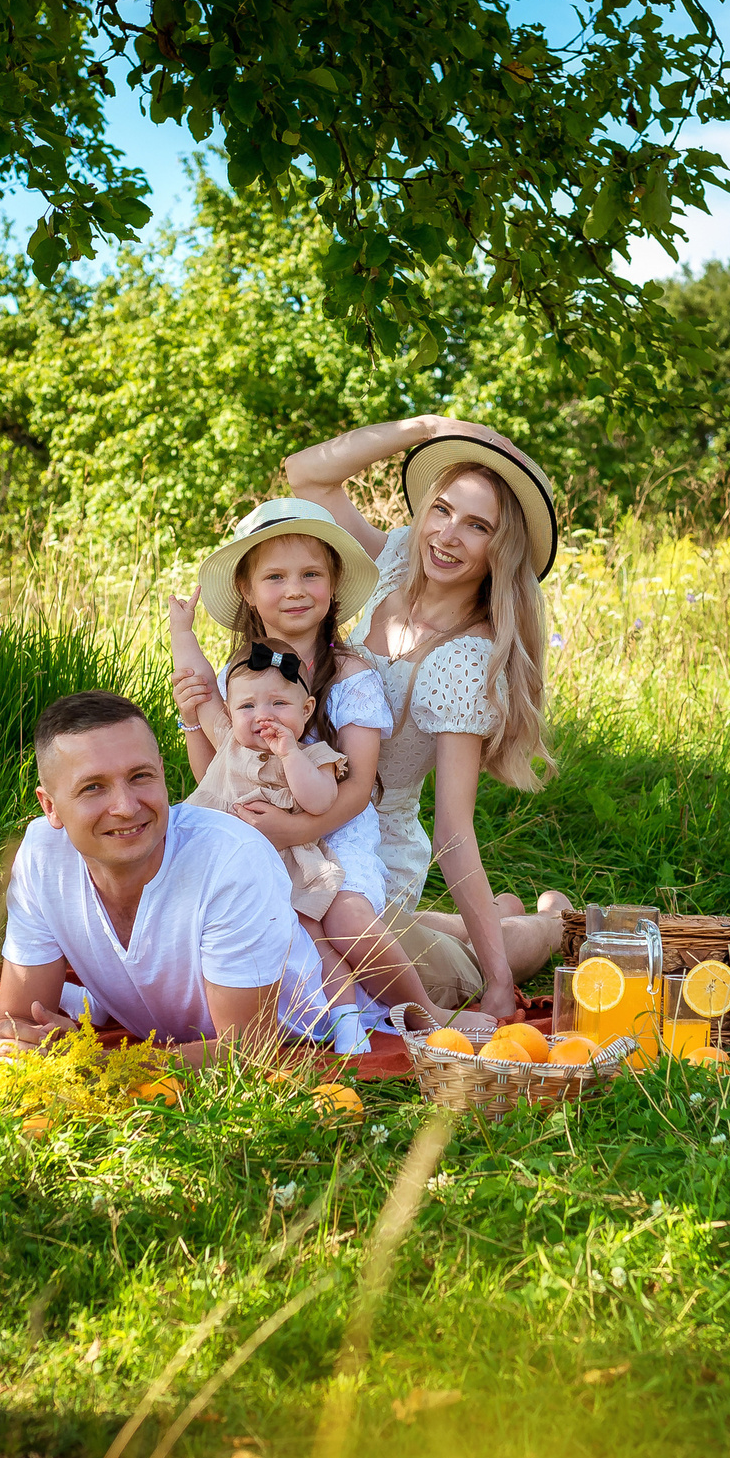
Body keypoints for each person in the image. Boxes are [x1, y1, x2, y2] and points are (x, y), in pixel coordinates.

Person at [282, 415, 571, 1019]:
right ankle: (494, 915)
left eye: (477, 526)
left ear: (502, 549)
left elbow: (454, 832)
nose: (447, 535)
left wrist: (498, 983)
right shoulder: (391, 561)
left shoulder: (464, 659)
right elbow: (306, 475)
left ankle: (547, 923)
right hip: (302, 814)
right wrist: (428, 426)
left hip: (376, 850)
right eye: (441, 510)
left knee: (409, 972)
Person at [170, 498, 439, 1014]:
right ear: (247, 591)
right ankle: (330, 1016)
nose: (294, 589)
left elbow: (358, 789)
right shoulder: (235, 678)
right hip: (260, 837)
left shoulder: (350, 675)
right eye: (275, 577)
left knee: (344, 920)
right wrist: (190, 721)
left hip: (335, 829)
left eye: (310, 574)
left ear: (333, 584)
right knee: (281, 933)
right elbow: (217, 775)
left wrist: (295, 831)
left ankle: (428, 1014)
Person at [0, 690, 333, 1060]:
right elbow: (16, 1018)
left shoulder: (231, 859)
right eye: (93, 787)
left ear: (163, 774)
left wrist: (96, 1062)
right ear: (50, 807)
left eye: (140, 776)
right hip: (165, 1031)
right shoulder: (42, 854)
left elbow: (249, 1049)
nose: (126, 806)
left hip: (301, 1032)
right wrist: (11, 1041)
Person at [173, 636, 370, 1051]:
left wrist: (288, 754)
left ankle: (346, 1017)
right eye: (247, 706)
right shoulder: (227, 737)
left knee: (316, 940)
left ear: (306, 711)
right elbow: (199, 680)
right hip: (220, 868)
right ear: (229, 712)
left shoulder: (314, 756)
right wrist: (182, 629)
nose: (262, 716)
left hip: (287, 866)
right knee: (194, 931)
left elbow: (320, 801)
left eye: (278, 705)